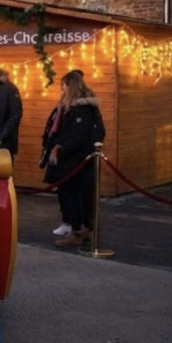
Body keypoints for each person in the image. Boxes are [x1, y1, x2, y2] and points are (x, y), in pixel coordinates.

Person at [43, 71, 105, 248]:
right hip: (79, 158)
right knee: (80, 195)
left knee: (75, 196)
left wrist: (60, 149)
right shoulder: (84, 107)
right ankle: (85, 228)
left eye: (63, 86)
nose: (62, 89)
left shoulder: (80, 109)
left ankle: (78, 231)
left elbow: (77, 135)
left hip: (75, 160)